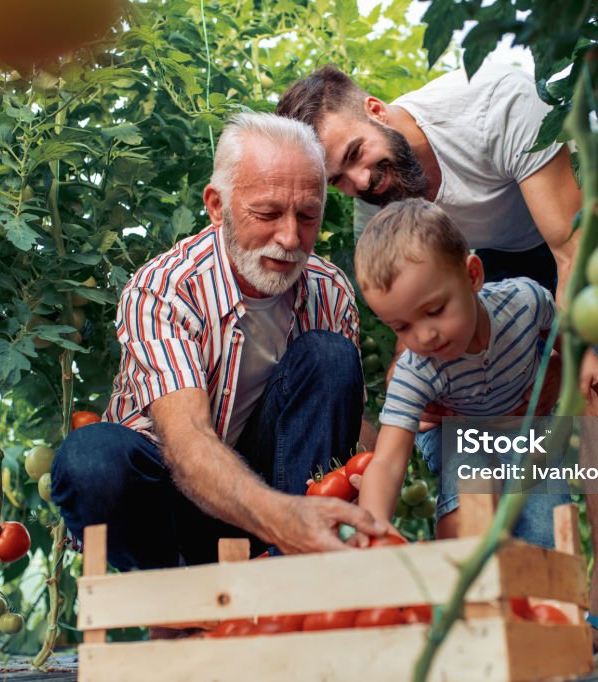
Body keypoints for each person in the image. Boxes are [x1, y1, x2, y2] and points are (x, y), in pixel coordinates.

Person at [277, 63, 598, 649]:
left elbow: (570, 256)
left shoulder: (496, 105)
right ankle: (525, 599)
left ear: (375, 109)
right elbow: (410, 319)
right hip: (467, 269)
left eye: (356, 155)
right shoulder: (382, 199)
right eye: (339, 181)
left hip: (567, 235)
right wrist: (410, 410)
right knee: (492, 428)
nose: (362, 181)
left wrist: (584, 366)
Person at [51, 113, 386, 578]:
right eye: (267, 214)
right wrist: (284, 517)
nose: (290, 238)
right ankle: (171, 603)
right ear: (216, 205)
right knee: (90, 459)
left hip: (279, 507)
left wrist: (402, 435)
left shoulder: (328, 289)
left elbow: (343, 432)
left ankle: (296, 580)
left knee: (330, 356)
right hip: (173, 507)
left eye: (308, 215)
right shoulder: (165, 289)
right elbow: (188, 445)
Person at [353, 198, 598, 543]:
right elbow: (388, 462)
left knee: (545, 525)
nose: (424, 336)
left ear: (472, 276)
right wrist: (373, 527)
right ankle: (463, 575)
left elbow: (564, 335)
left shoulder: (523, 301)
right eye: (401, 327)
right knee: (471, 482)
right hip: (456, 432)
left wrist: (594, 371)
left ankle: (550, 592)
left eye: (435, 310)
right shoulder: (416, 370)